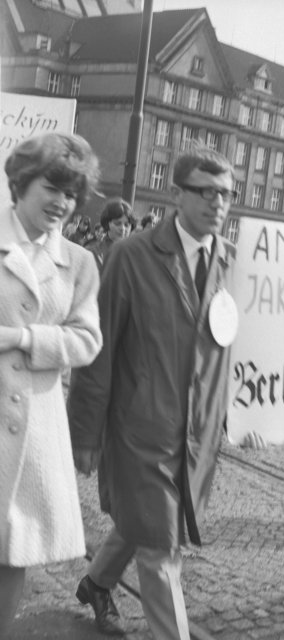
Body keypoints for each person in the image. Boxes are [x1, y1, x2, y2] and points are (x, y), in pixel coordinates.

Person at [68, 145, 238, 638]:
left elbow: (224, 349)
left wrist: (237, 418)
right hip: (139, 430)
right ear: (175, 193)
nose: (217, 203)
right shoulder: (131, 255)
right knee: (163, 550)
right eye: (205, 191)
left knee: (148, 523)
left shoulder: (228, 260)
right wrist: (85, 433)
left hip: (195, 433)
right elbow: (98, 350)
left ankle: (97, 583)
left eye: (226, 193)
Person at [0, 132, 102, 636]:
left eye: (72, 193)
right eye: (52, 186)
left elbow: (86, 341)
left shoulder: (78, 262)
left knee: (10, 552)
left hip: (32, 430)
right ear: (21, 182)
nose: (62, 201)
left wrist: (22, 337)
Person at [88, 197, 133, 272]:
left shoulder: (136, 253)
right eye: (117, 223)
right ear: (107, 224)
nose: (122, 228)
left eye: (127, 225)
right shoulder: (94, 252)